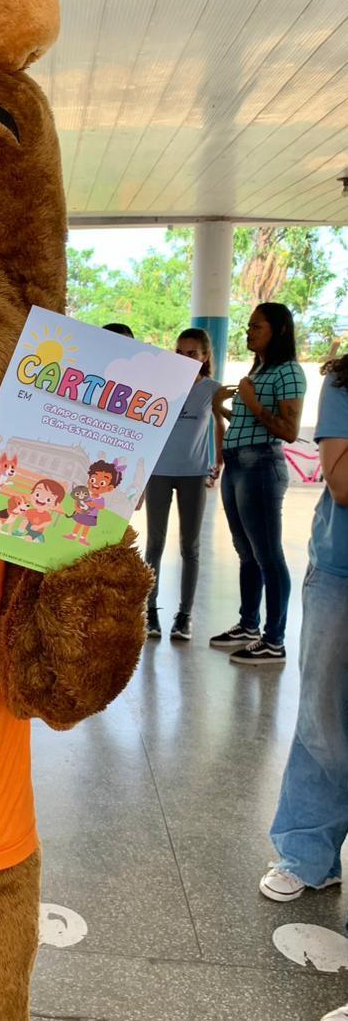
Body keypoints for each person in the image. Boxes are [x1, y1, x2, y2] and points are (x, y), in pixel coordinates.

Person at [258, 350, 347, 904]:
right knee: (323, 717)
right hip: (341, 572)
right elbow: (342, 484)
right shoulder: (342, 382)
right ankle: (308, 853)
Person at [210, 303, 306, 664]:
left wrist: (250, 401)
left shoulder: (289, 371)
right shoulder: (261, 369)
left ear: (279, 330)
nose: (248, 332)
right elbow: (248, 422)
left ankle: (274, 641)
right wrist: (221, 409)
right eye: (248, 326)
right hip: (237, 464)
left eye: (256, 327)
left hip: (261, 466)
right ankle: (249, 625)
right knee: (246, 552)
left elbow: (289, 431)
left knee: (268, 556)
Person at [144, 329, 224, 640]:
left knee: (190, 547)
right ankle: (150, 613)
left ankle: (184, 616)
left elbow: (220, 422)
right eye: (179, 352)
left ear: (205, 357)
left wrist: (218, 459)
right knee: (155, 544)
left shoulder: (212, 390)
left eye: (192, 353)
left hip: (193, 474)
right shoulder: (162, 387)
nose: (185, 358)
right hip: (159, 473)